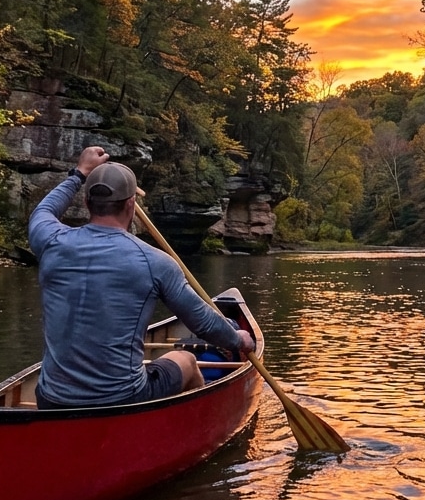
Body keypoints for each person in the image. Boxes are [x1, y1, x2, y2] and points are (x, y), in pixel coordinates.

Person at [29, 145, 256, 409]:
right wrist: (238, 339)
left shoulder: (50, 241)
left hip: (51, 400)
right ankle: (192, 421)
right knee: (186, 360)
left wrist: (79, 173)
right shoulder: (155, 262)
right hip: (124, 400)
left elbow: (43, 211)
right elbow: (203, 323)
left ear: (87, 203)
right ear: (131, 205)